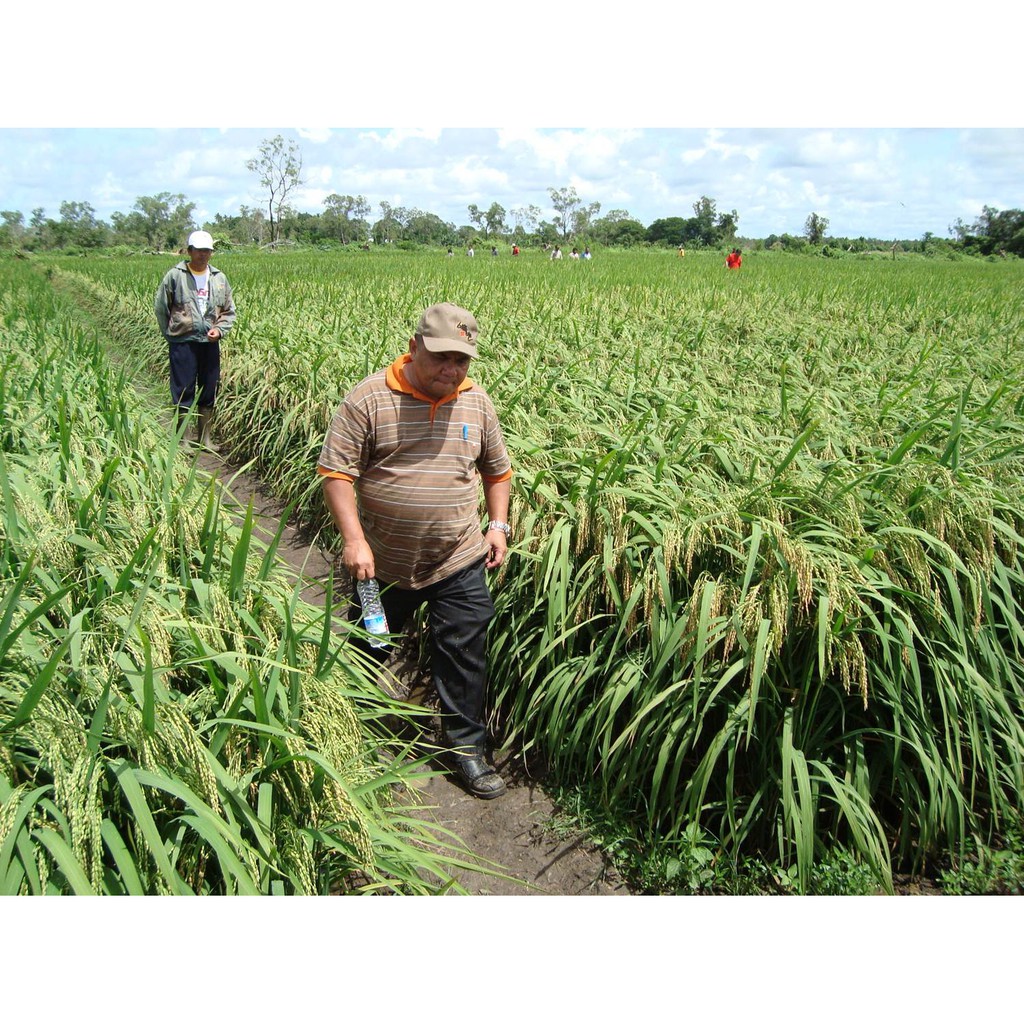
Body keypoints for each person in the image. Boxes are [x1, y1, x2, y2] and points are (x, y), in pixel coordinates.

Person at [318, 303, 513, 799]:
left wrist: (497, 526)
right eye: (442, 357)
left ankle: (466, 749)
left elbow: (497, 471)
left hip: (458, 557)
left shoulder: (477, 403)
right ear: (414, 347)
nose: (451, 369)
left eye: (461, 360)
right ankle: (348, 726)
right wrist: (355, 540)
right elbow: (337, 473)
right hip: (383, 563)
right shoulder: (369, 398)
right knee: (371, 642)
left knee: (465, 650)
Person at [154, 229, 236, 449]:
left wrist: (219, 330)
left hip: (209, 343)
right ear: (189, 251)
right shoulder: (175, 276)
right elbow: (161, 308)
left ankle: (205, 439)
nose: (203, 254)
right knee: (183, 389)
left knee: (209, 388)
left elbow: (228, 311)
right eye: (199, 250)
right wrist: (172, 334)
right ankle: (183, 440)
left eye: (207, 251)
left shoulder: (219, 278)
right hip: (183, 342)